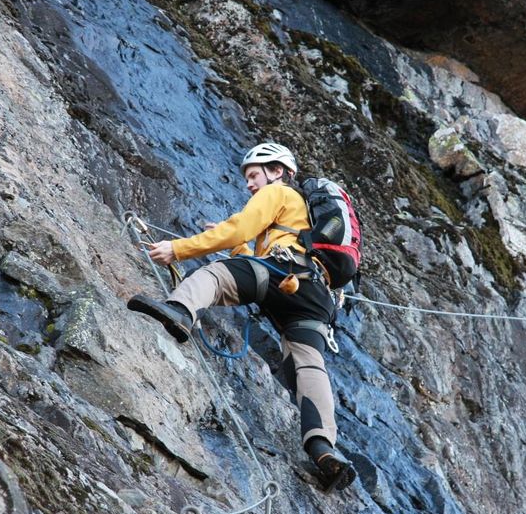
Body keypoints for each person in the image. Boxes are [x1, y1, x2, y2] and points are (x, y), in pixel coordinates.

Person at [128, 142, 356, 492]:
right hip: (315, 295)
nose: (250, 184)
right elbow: (254, 250)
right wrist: (240, 249)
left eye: (254, 175)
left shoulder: (279, 191)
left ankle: (179, 312)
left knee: (217, 275)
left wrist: (177, 249)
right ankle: (323, 448)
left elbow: (239, 230)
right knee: (309, 364)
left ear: (277, 171)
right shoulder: (305, 214)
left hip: (282, 272)